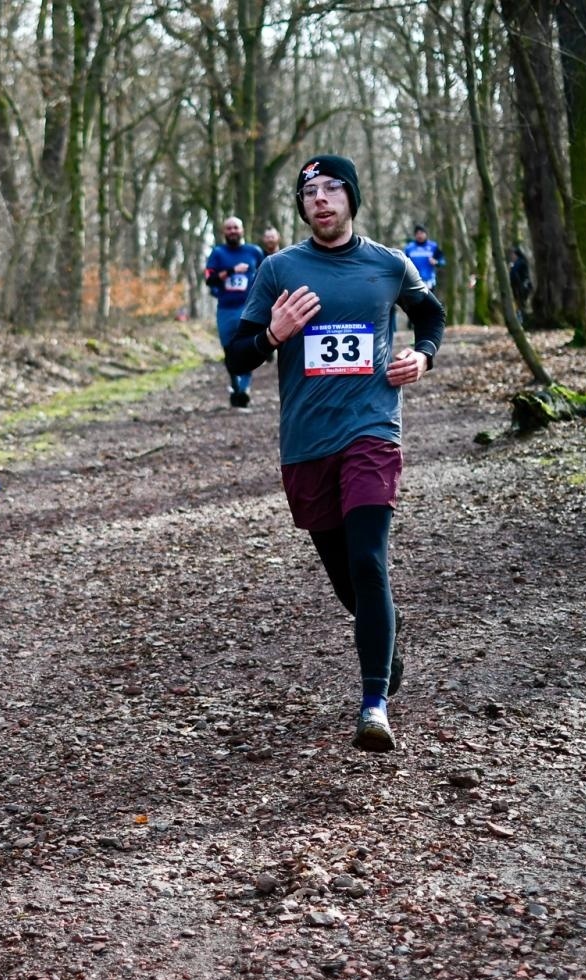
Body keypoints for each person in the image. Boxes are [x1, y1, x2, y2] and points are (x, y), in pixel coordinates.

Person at [222, 154, 445, 753]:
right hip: (307, 444)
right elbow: (237, 357)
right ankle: (386, 644)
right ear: (302, 207)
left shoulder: (388, 265)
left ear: (352, 199)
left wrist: (422, 355)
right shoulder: (278, 269)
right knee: (348, 580)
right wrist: (273, 333)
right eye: (309, 192)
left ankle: (374, 703)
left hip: (372, 432)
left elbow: (430, 314)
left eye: (331, 189)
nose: (320, 199)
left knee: (369, 560)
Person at [204, 216, 265, 408]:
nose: (232, 231)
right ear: (224, 232)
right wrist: (231, 271)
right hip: (226, 309)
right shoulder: (218, 253)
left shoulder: (254, 251)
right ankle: (234, 384)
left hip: (248, 308)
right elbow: (209, 279)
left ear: (242, 230)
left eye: (236, 228)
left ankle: (244, 388)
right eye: (229, 228)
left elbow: (267, 275)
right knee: (229, 349)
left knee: (246, 347)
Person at [403, 225, 445, 291]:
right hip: (413, 281)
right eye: (417, 234)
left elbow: (443, 261)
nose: (419, 236)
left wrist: (437, 262)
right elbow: (403, 263)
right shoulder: (409, 248)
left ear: (426, 234)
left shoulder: (433, 246)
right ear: (415, 235)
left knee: (428, 300)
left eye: (421, 233)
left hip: (429, 281)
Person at [508, 245, 533, 324]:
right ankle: (521, 321)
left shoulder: (520, 263)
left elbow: (517, 275)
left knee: (521, 305)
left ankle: (522, 322)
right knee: (519, 305)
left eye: (513, 254)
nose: (512, 256)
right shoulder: (517, 263)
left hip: (521, 288)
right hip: (518, 288)